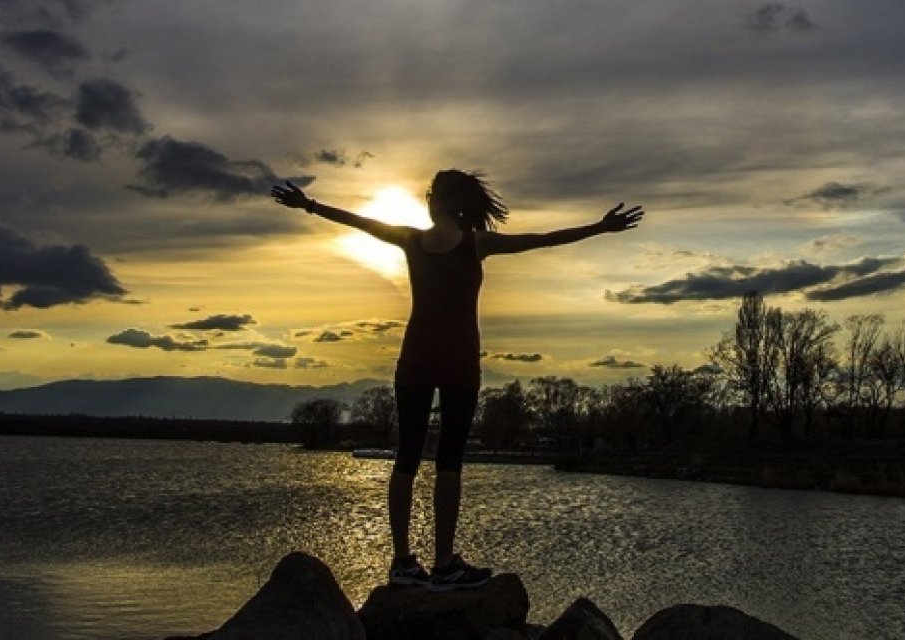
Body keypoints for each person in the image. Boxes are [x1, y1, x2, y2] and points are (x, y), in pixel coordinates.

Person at [270, 170, 643, 591]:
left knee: (406, 457)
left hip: (416, 356)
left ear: (435, 202)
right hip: (459, 360)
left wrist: (311, 206)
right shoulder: (476, 244)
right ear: (463, 203)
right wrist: (601, 227)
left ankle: (402, 563)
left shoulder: (410, 238)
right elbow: (546, 239)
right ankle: (444, 566)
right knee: (449, 462)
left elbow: (358, 221)